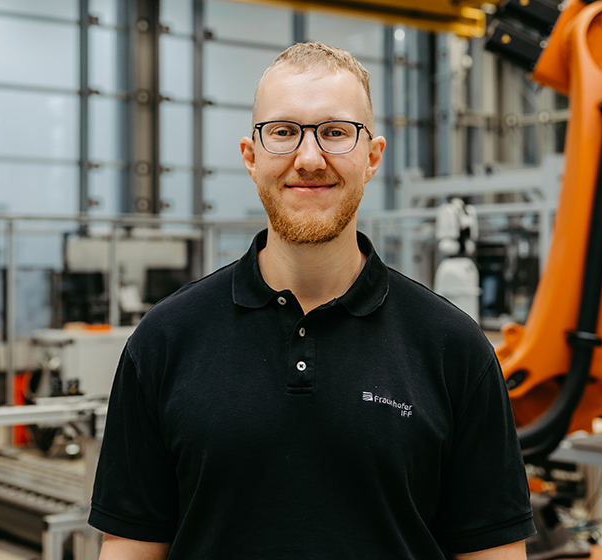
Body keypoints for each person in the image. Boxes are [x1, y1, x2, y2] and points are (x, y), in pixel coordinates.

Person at [88, 41, 535, 560]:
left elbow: (493, 552)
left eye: (335, 132)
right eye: (283, 132)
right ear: (250, 158)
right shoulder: (165, 341)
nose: (308, 158)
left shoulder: (453, 348)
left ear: (371, 158)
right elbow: (131, 548)